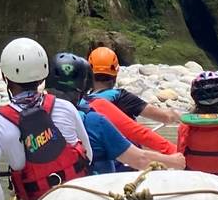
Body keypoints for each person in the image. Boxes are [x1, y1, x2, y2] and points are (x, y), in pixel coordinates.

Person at [0, 38, 92, 200]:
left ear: (4, 77)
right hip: (78, 198)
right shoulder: (65, 107)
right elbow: (88, 155)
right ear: (43, 75)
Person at [49, 52, 184, 174]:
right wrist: (174, 155)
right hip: (119, 168)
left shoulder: (35, 113)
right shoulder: (98, 112)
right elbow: (140, 136)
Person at [87, 46, 181, 125]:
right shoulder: (122, 97)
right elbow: (165, 117)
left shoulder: (83, 100)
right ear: (116, 71)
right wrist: (176, 114)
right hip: (124, 146)